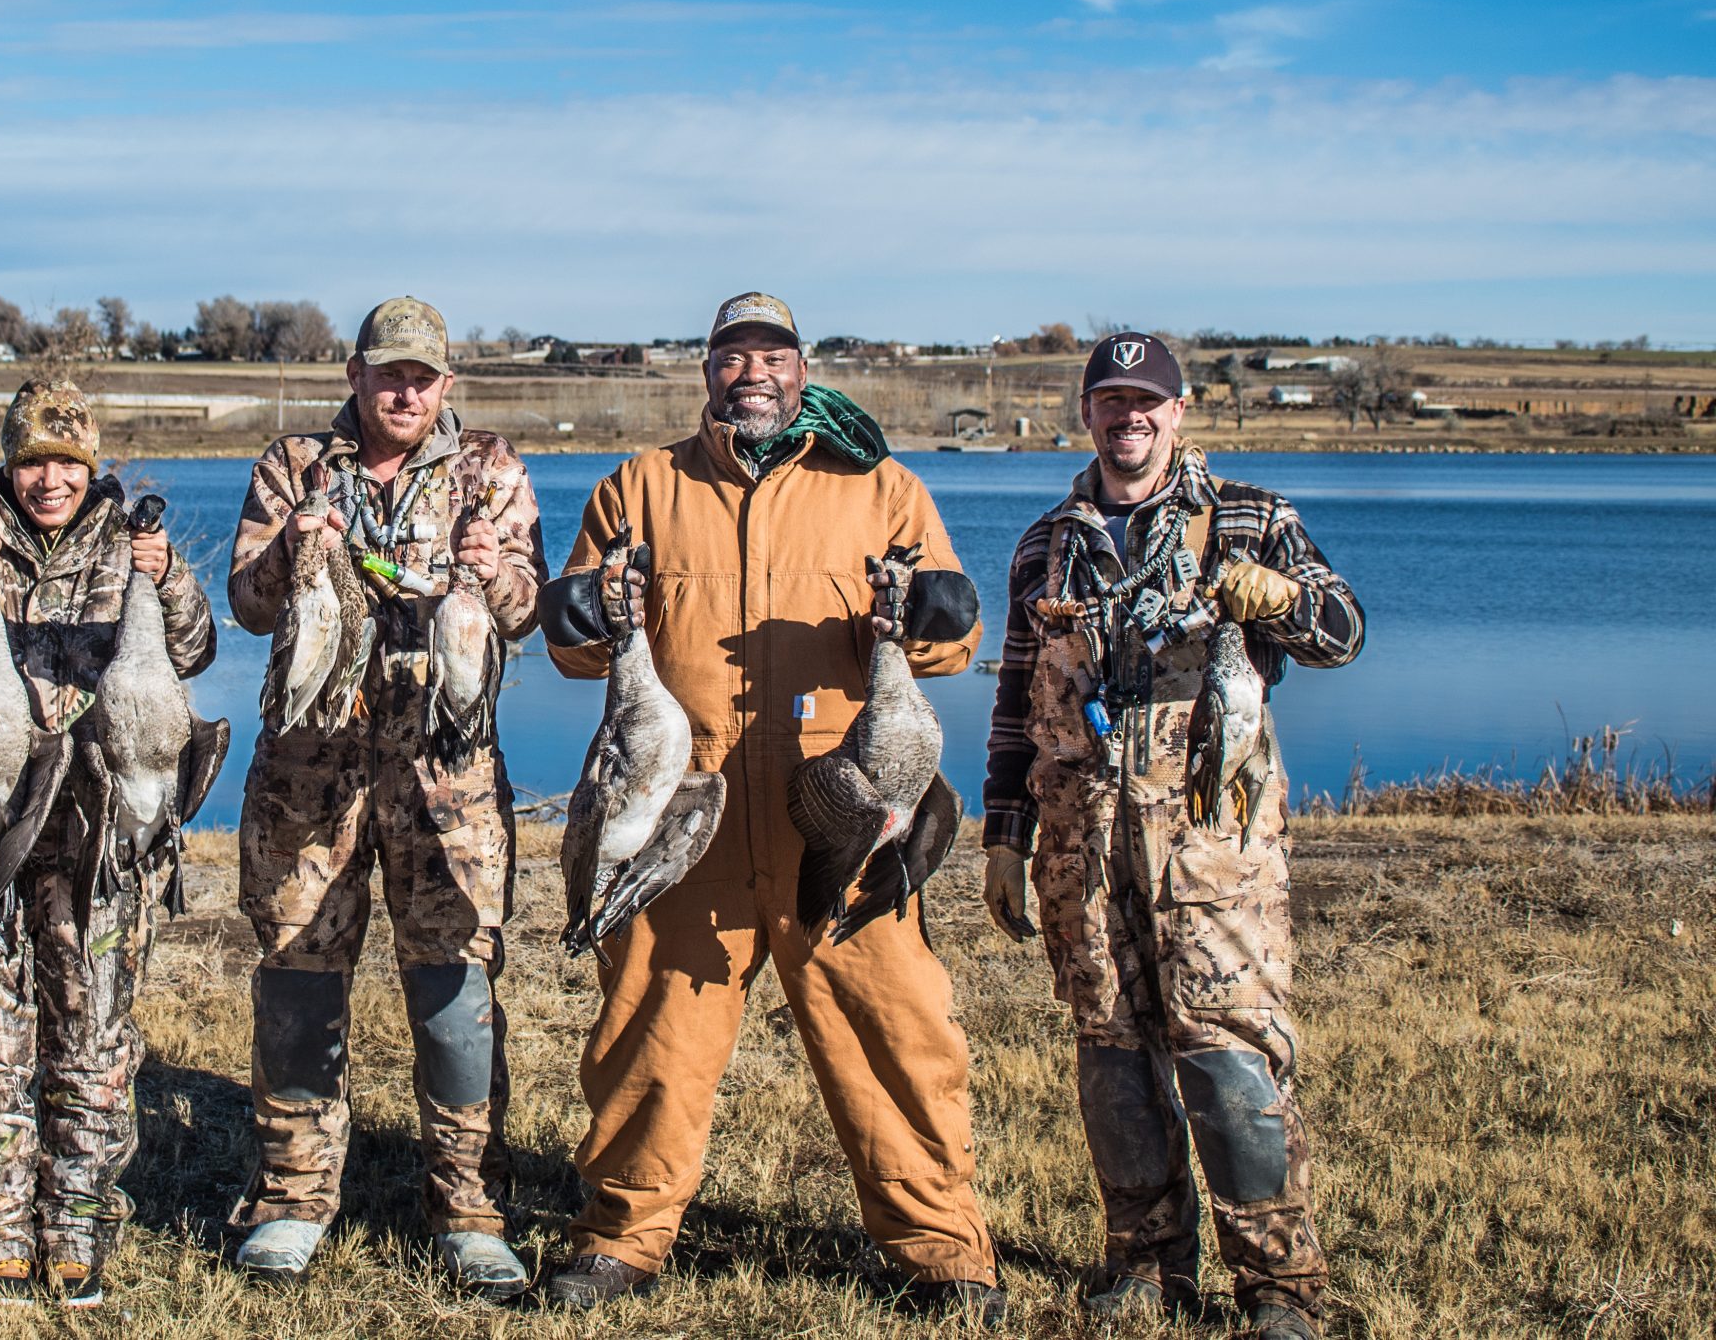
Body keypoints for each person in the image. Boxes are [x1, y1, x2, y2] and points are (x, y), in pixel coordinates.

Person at [534, 293, 1003, 1321]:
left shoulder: (880, 487)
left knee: (895, 1029)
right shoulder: (640, 487)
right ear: (707, 370)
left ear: (801, 368)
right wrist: (577, 614)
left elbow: (950, 644)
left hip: (840, 804)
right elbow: (579, 652)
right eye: (732, 355)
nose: (752, 373)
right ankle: (620, 1236)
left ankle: (942, 1249)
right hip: (684, 811)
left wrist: (932, 615)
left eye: (772, 355)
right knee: (650, 1031)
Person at [981, 332, 1363, 1340]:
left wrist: (1285, 599)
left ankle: (1277, 1286)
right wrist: (1004, 835)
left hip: (1210, 848)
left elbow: (1343, 632)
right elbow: (1015, 701)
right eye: (1110, 400)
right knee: (1111, 1056)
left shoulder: (1250, 517)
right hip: (1081, 850)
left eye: (1146, 400)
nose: (1129, 416)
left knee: (1229, 1057)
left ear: (1180, 411)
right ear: (1086, 414)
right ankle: (1146, 1264)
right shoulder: (1044, 544)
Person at [223, 297, 544, 1297]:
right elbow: (247, 603)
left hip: (446, 779)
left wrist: (494, 578)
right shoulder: (293, 465)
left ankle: (469, 1209)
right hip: (308, 775)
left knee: (455, 989)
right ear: (355, 375)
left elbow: (526, 610)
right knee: (298, 983)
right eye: (387, 373)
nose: (404, 392)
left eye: (422, 376)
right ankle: (291, 1199)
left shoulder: (489, 468)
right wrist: (295, 547)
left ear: (446, 384)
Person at [0, 380, 217, 1305]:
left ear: (90, 464)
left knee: (92, 1037)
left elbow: (195, 649)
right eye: (34, 462)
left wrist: (167, 577)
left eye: (68, 462)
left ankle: (76, 1228)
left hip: (95, 841)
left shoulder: (130, 549)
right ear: (11, 466)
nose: (52, 480)